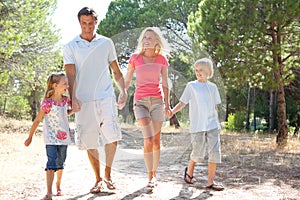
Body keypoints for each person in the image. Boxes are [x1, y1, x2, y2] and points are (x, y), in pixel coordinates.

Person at [63, 7, 127, 193]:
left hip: (106, 95)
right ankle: (98, 179)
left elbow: (116, 70)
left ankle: (108, 174)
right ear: (79, 23)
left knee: (112, 136)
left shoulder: (106, 43)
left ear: (96, 22)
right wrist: (72, 98)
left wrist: (123, 90)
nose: (87, 27)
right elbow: (70, 74)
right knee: (90, 141)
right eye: (84, 23)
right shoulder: (71, 46)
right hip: (83, 100)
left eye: (91, 23)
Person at [167, 58, 224, 191]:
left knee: (214, 152)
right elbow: (182, 103)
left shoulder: (213, 87)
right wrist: (172, 112)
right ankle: (189, 171)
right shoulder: (191, 86)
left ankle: (210, 182)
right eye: (196, 70)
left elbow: (215, 107)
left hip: (212, 125)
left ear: (209, 72)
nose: (198, 72)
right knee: (198, 153)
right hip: (197, 126)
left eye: (201, 70)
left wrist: (218, 123)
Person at [124, 27, 171, 187]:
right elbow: (127, 80)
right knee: (149, 138)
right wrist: (122, 95)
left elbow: (165, 83)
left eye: (150, 38)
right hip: (141, 102)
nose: (146, 40)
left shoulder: (162, 60)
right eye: (144, 37)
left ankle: (154, 174)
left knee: (156, 141)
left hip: (158, 102)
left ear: (156, 41)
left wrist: (168, 105)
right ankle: (149, 174)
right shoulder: (135, 58)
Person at [24, 73, 73, 200]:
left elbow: (65, 113)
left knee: (61, 163)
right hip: (51, 138)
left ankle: (58, 186)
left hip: (64, 138)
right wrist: (30, 137)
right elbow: (37, 120)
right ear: (55, 86)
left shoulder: (65, 100)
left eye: (67, 84)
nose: (67, 86)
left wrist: (73, 110)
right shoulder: (47, 103)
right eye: (65, 84)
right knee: (51, 163)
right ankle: (49, 192)